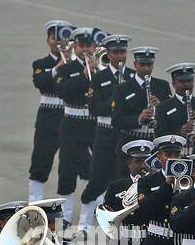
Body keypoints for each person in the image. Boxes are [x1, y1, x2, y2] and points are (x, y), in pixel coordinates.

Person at [77, 33, 130, 232]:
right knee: (97, 178)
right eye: (115, 52)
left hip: (124, 134)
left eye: (122, 52)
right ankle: (83, 226)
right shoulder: (100, 77)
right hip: (105, 133)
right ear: (108, 53)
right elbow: (94, 108)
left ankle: (115, 225)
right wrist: (117, 102)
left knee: (121, 179)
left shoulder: (133, 76)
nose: (119, 56)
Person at [53, 27, 100, 226]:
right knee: (67, 168)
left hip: (94, 123)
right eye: (81, 46)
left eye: (89, 46)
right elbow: (63, 91)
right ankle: (65, 215)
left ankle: (91, 217)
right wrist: (83, 75)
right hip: (72, 123)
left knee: (99, 167)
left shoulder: (101, 68)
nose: (85, 50)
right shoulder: (66, 68)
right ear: (76, 47)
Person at [28, 21, 71, 203]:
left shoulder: (76, 64)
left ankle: (66, 209)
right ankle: (34, 203)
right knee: (41, 160)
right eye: (54, 38)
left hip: (70, 117)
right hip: (48, 119)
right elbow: (41, 82)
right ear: (48, 40)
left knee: (70, 164)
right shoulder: (41, 63)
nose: (58, 42)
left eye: (63, 39)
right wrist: (57, 69)